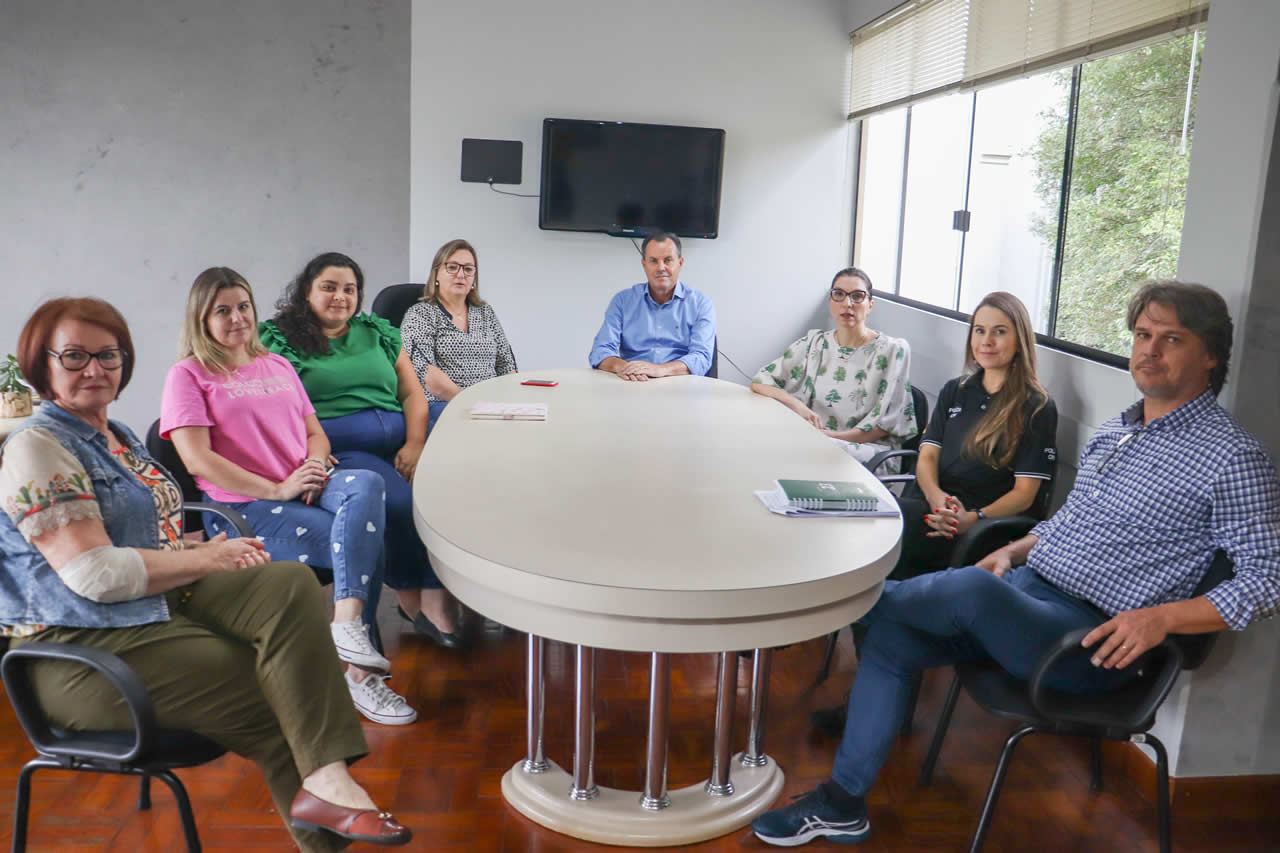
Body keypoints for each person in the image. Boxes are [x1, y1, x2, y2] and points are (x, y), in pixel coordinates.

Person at [751, 280, 1280, 846]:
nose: (1149, 350)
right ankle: (842, 803)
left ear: (1210, 355)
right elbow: (1064, 525)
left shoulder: (1230, 457)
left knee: (959, 594)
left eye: (1171, 339)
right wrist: (1008, 550)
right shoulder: (1118, 432)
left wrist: (1161, 620)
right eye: (1143, 335)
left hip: (1088, 641)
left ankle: (805, 612)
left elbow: (1267, 579)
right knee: (896, 639)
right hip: (1028, 597)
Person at [0, 298, 411, 850]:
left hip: (147, 611)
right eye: (74, 357)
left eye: (108, 355)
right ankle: (325, 786)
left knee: (286, 581)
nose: (94, 369)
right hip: (77, 653)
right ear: (40, 364)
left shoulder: (113, 435)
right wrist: (206, 558)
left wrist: (193, 543)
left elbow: (131, 536)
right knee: (279, 688)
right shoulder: (36, 447)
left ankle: (326, 779)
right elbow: (94, 573)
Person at [161, 267, 416, 726]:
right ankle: (361, 670)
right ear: (201, 318)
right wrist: (277, 488)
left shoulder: (276, 364)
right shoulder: (188, 376)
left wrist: (314, 465)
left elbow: (314, 431)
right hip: (243, 506)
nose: (237, 318)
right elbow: (198, 460)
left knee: (368, 486)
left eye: (243, 307)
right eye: (223, 310)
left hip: (304, 484)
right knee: (361, 535)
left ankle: (346, 629)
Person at [810, 291, 1059, 736]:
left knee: (885, 562)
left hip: (983, 531)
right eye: (980, 331)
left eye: (999, 331)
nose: (987, 341)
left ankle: (877, 708)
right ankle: (879, 700)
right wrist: (938, 498)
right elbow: (925, 461)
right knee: (870, 529)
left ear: (1019, 340)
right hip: (935, 509)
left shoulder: (1035, 406)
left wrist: (971, 517)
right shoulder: (955, 390)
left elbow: (1025, 495)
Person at [259, 252, 462, 648]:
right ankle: (416, 595)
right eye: (329, 287)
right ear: (306, 291)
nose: (341, 297)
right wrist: (308, 450)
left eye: (349, 289)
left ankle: (453, 590)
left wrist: (416, 444)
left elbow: (411, 393)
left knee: (461, 482)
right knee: (406, 502)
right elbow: (274, 409)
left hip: (404, 434)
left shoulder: (377, 332)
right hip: (343, 449)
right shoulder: (277, 339)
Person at [750, 267, 916, 469]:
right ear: (830, 301)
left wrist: (828, 438)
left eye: (857, 296)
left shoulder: (894, 350)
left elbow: (885, 426)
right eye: (839, 294)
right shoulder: (815, 343)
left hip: (866, 450)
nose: (847, 304)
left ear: (870, 305)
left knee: (790, 451)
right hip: (814, 443)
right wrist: (799, 407)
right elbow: (760, 381)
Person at [400, 238, 517, 429]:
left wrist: (510, 402)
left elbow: (506, 363)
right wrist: (472, 404)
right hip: (442, 404)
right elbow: (426, 374)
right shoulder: (421, 314)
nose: (461, 274)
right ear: (436, 273)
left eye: (468, 269)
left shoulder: (485, 312)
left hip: (490, 405)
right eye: (452, 267)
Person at [588, 232, 716, 380]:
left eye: (668, 260)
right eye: (653, 261)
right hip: (632, 382)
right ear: (644, 264)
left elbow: (702, 358)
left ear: (680, 263)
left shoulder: (701, 304)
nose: (661, 267)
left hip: (680, 386)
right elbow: (600, 351)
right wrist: (626, 368)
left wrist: (660, 370)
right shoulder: (622, 301)